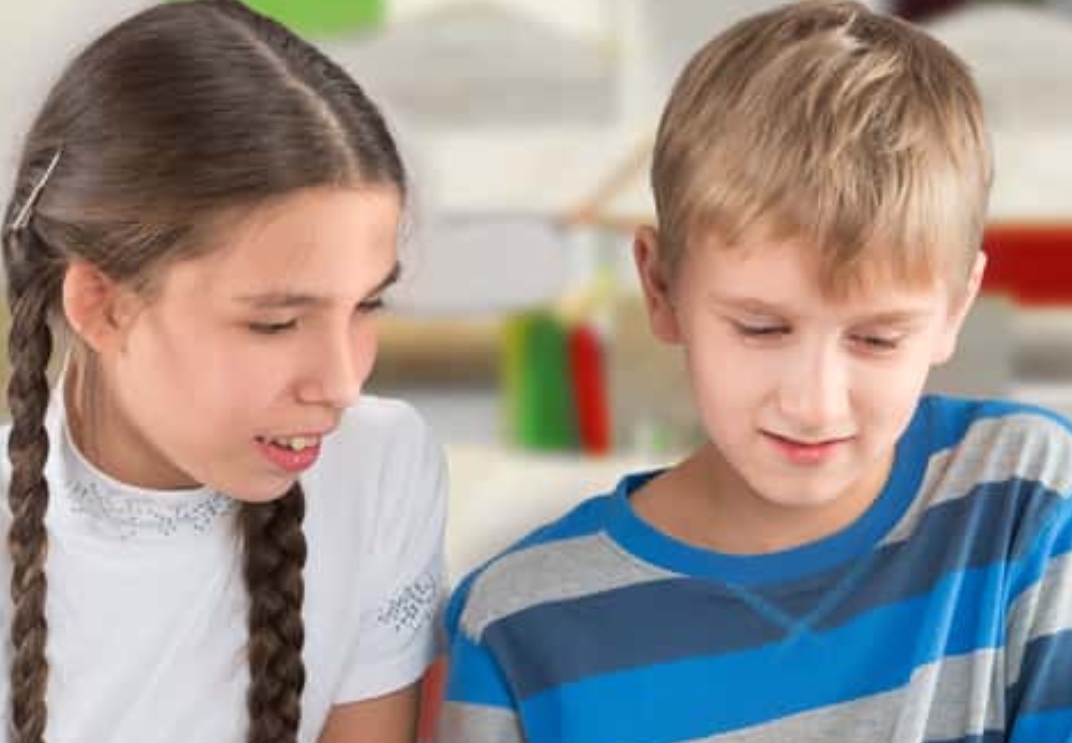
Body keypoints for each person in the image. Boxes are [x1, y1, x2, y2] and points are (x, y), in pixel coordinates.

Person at [437, 2, 1072, 742]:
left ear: (953, 312)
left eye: (874, 338)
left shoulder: (1028, 502)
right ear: (660, 288)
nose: (812, 401)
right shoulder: (515, 627)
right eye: (761, 328)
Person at [0, 3, 447, 742]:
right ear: (102, 304)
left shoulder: (380, 469)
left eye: (367, 304)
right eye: (274, 322)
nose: (340, 383)